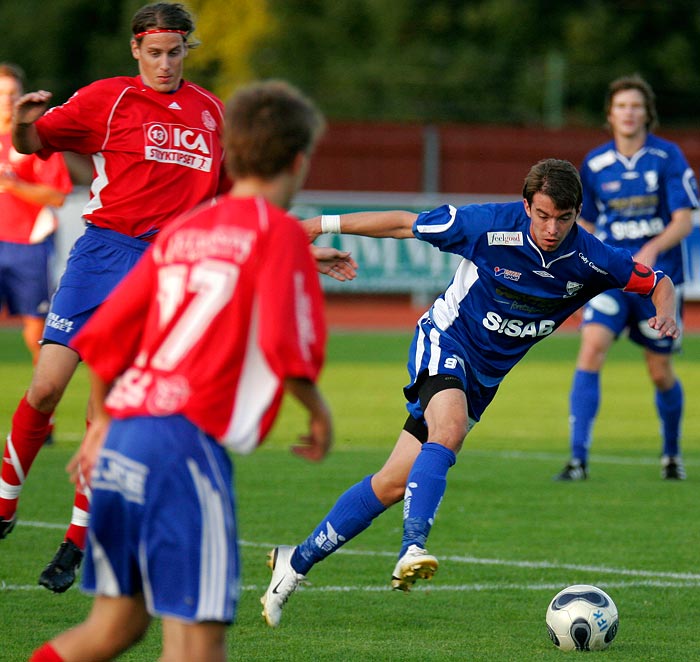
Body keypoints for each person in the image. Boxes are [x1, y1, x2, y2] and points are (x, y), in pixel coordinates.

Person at [259, 158, 680, 628]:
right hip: (445, 340)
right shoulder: (486, 225)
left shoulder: (593, 259)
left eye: (563, 218)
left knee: (393, 482)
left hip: (484, 379)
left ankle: (293, 562)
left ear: (578, 212)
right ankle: (411, 547)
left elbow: (656, 282)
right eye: (542, 216)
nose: (551, 228)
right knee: (449, 429)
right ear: (527, 206)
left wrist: (669, 313)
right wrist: (318, 223)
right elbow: (403, 224)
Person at [28, 79, 332, 662]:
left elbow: (110, 337)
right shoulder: (279, 233)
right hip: (182, 449)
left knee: (112, 629)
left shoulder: (182, 232)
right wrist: (317, 414)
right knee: (198, 645)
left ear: (229, 155)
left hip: (121, 441)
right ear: (298, 161)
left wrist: (98, 428)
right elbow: (287, 348)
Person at [0, 2, 230, 595]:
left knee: (105, 412)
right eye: (153, 53)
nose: (164, 63)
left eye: (174, 52)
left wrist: (304, 248)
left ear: (187, 50)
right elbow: (34, 144)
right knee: (46, 385)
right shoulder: (108, 98)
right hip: (101, 256)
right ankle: (5, 501)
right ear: (136, 49)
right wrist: (25, 123)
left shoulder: (212, 115)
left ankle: (75, 542)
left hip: (163, 273)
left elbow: (235, 205)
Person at [554, 75, 698, 482]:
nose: (628, 113)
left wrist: (651, 250)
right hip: (612, 279)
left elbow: (684, 221)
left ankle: (671, 454)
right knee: (592, 348)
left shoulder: (668, 157)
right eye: (621, 106)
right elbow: (584, 218)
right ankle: (577, 459)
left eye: (635, 106)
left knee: (659, 371)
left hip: (658, 284)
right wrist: (594, 253)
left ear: (647, 113)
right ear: (610, 115)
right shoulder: (596, 164)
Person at [0, 63, 72, 364]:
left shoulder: (34, 139)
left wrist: (12, 185)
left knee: (34, 327)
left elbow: (57, 196)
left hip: (27, 245)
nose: (6, 99)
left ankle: (43, 402)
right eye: (1, 93)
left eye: (12, 93)